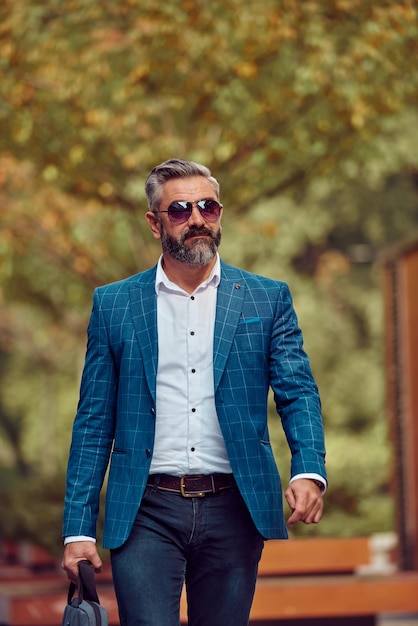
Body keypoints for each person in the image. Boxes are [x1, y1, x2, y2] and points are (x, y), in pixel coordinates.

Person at [62, 158, 327, 626]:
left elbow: (297, 390)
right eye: (181, 210)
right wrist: (77, 529)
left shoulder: (266, 298)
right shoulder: (114, 304)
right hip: (145, 510)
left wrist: (308, 469)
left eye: (208, 206)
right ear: (154, 222)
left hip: (234, 506)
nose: (198, 219)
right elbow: (93, 420)